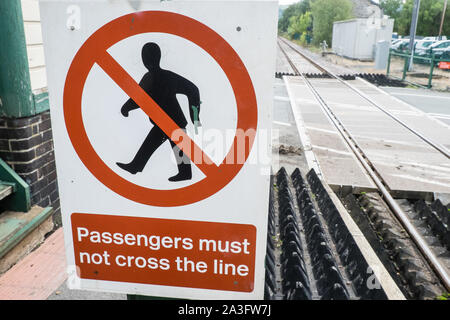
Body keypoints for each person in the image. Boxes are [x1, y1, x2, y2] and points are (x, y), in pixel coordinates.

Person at [116, 42, 201, 182]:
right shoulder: (155, 77)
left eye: (146, 57)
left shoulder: (153, 77)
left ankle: (137, 166)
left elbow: (192, 90)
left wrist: (195, 116)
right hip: (164, 121)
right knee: (159, 143)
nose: (146, 60)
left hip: (172, 121)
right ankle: (136, 165)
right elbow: (139, 98)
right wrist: (126, 107)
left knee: (175, 146)